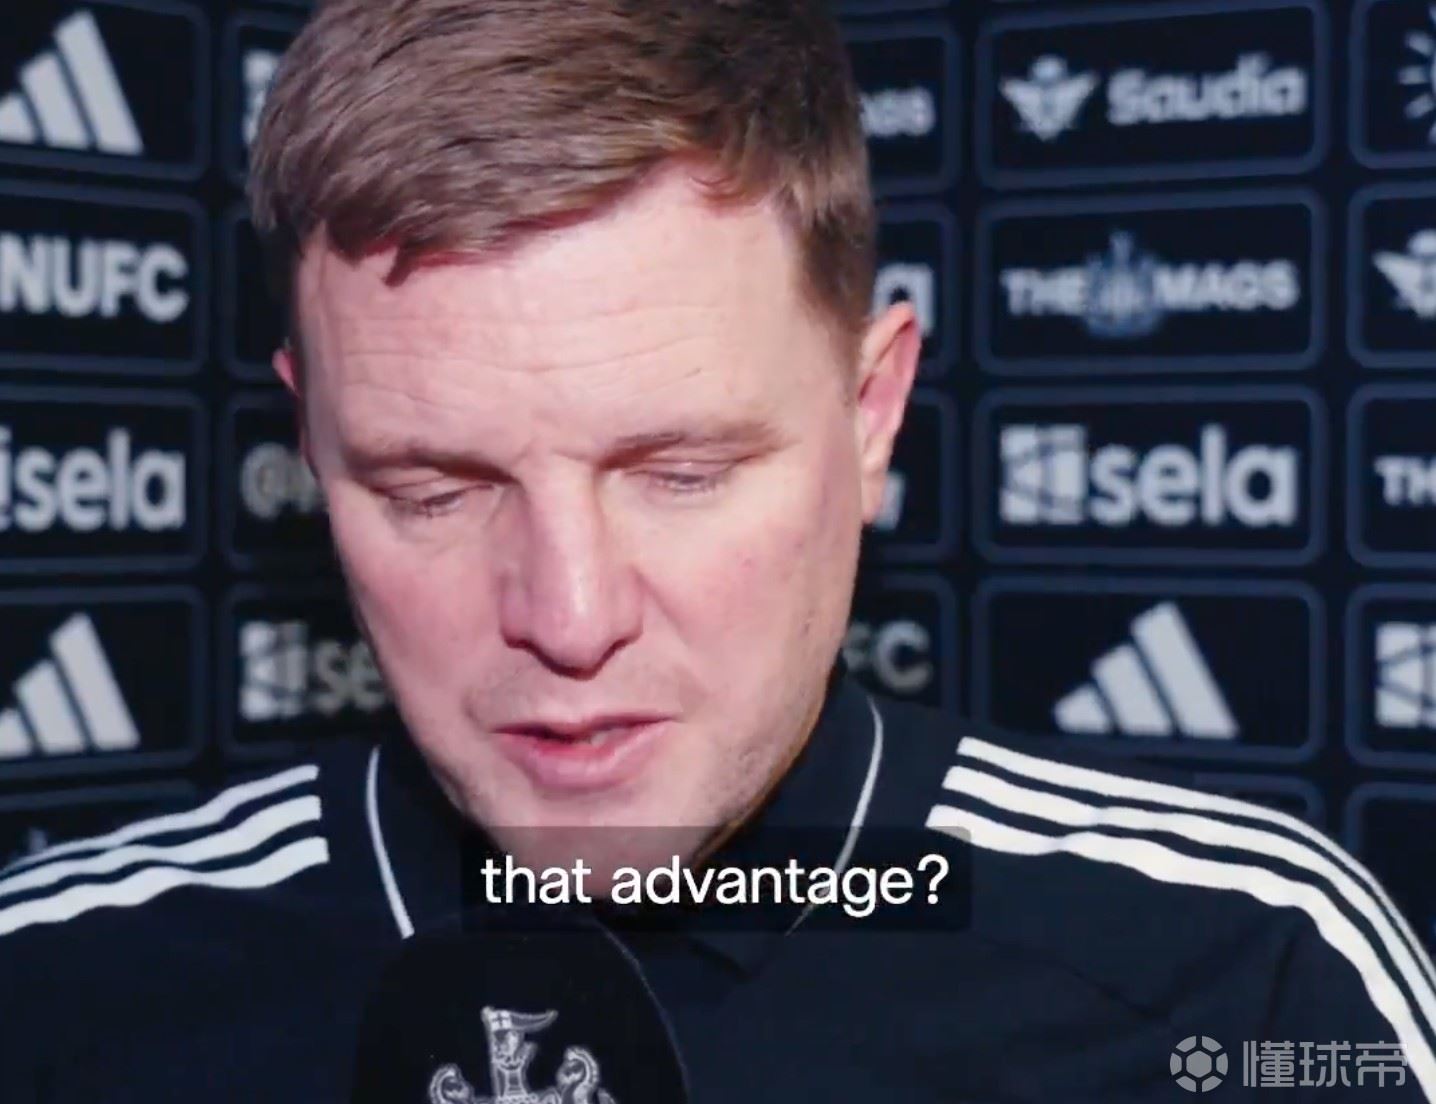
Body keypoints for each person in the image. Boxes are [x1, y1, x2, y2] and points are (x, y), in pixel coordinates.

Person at [1, 0, 1433, 1100]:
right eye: (433, 492)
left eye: (680, 475)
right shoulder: (51, 992)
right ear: (312, 448)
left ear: (870, 417)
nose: (569, 619)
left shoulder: (1250, 979)